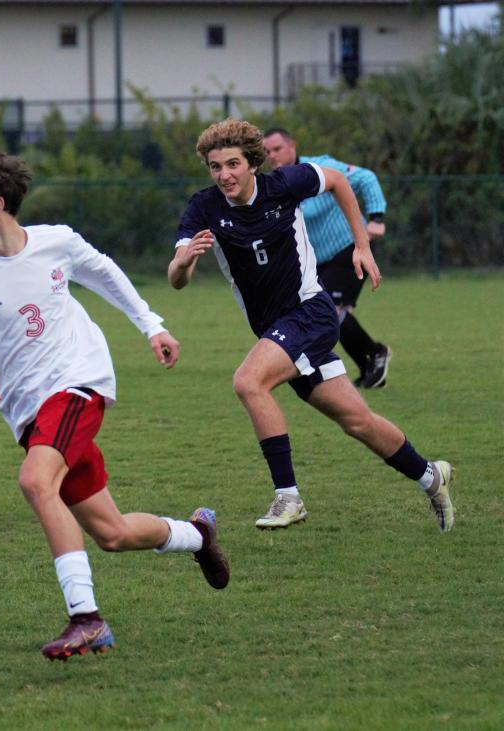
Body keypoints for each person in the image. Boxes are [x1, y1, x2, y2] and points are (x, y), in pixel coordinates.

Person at [0, 148, 230, 661]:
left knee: (34, 481)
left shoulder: (58, 243)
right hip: (29, 412)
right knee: (112, 533)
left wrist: (152, 325)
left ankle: (86, 618)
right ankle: (197, 534)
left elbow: (108, 275)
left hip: (78, 382)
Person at [166, 119, 454, 532]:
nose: (224, 175)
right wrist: (184, 261)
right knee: (358, 421)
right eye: (215, 167)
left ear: (252, 163)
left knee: (249, 381)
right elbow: (177, 280)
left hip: (309, 314)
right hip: (276, 330)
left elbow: (338, 180)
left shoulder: (284, 184)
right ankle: (431, 477)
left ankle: (289, 496)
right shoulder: (204, 207)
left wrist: (361, 244)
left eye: (232, 164)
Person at [262, 128, 391, 387]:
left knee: (331, 310)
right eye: (267, 152)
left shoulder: (319, 166)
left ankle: (374, 354)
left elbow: (366, 178)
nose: (272, 156)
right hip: (317, 262)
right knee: (323, 313)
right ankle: (369, 363)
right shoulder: (275, 184)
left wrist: (376, 217)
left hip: (350, 248)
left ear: (292, 146)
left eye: (276, 149)